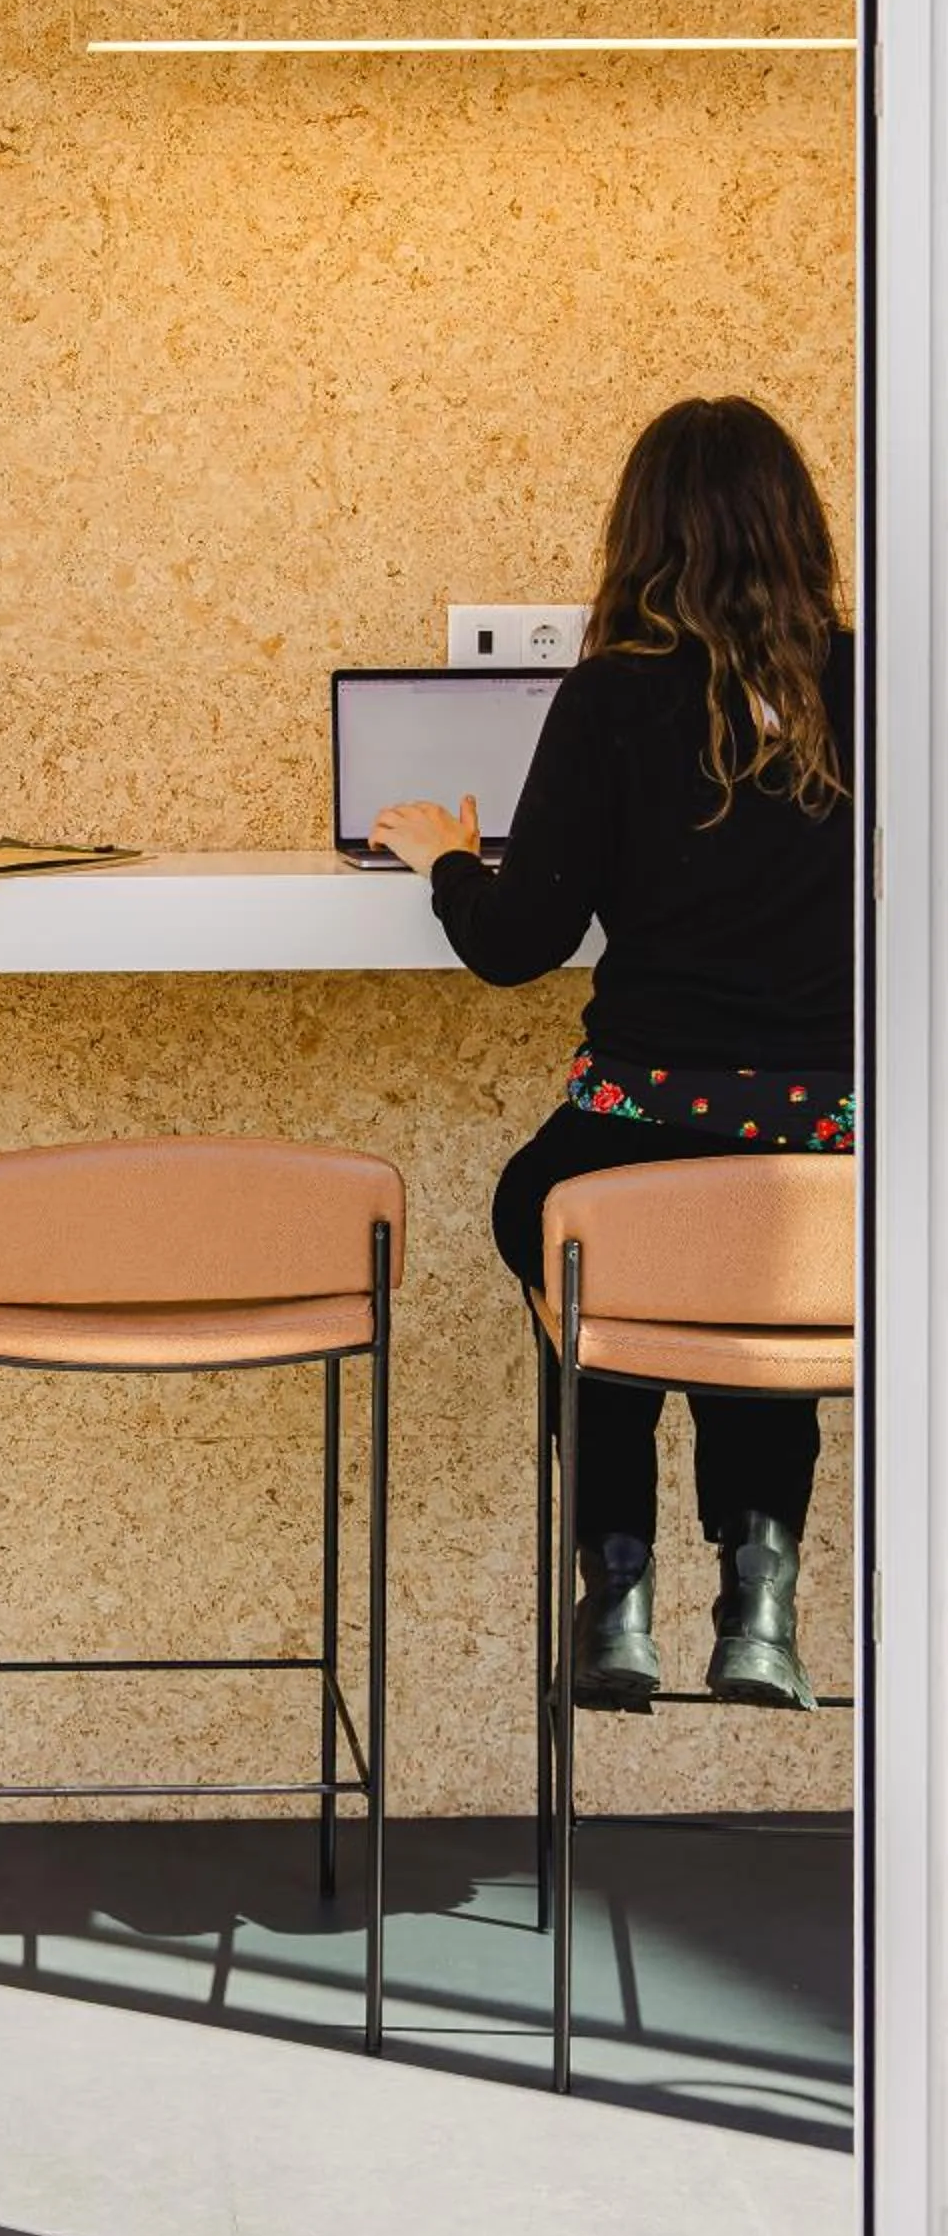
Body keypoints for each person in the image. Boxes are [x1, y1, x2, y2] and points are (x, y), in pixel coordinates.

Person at [370, 396, 854, 1712]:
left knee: (589, 1248)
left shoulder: (613, 696)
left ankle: (617, 1593)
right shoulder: (873, 686)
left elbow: (518, 944)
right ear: (797, 532)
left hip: (633, 1150)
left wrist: (447, 857)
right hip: (833, 1171)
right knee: (763, 1266)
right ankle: (760, 1598)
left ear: (642, 536)